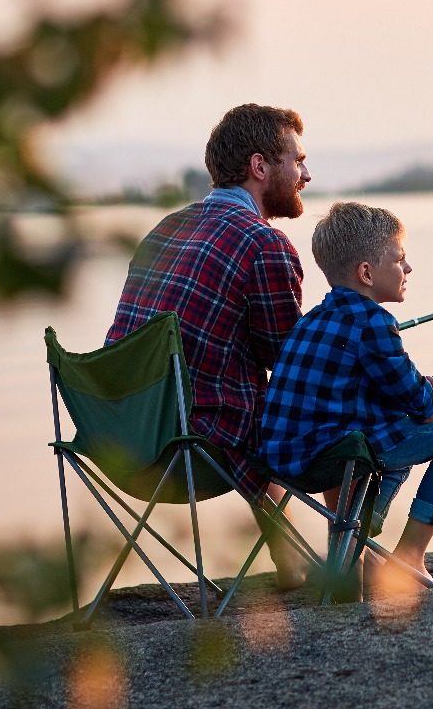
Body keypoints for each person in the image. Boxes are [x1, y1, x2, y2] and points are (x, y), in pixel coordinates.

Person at [106, 103, 311, 589]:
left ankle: (292, 562)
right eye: (297, 160)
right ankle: (352, 564)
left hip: (120, 436)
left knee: (243, 400)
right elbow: (289, 367)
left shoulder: (165, 228)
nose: (306, 173)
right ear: (260, 167)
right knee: (318, 402)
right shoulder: (265, 244)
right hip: (190, 448)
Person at [260, 201, 433, 589]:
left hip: (285, 462)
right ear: (367, 273)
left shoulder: (311, 321)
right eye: (399, 259)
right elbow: (423, 408)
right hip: (336, 458)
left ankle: (356, 548)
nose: (408, 269)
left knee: (394, 422)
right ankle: (409, 556)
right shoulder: (374, 322)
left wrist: (427, 384)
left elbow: (372, 387)